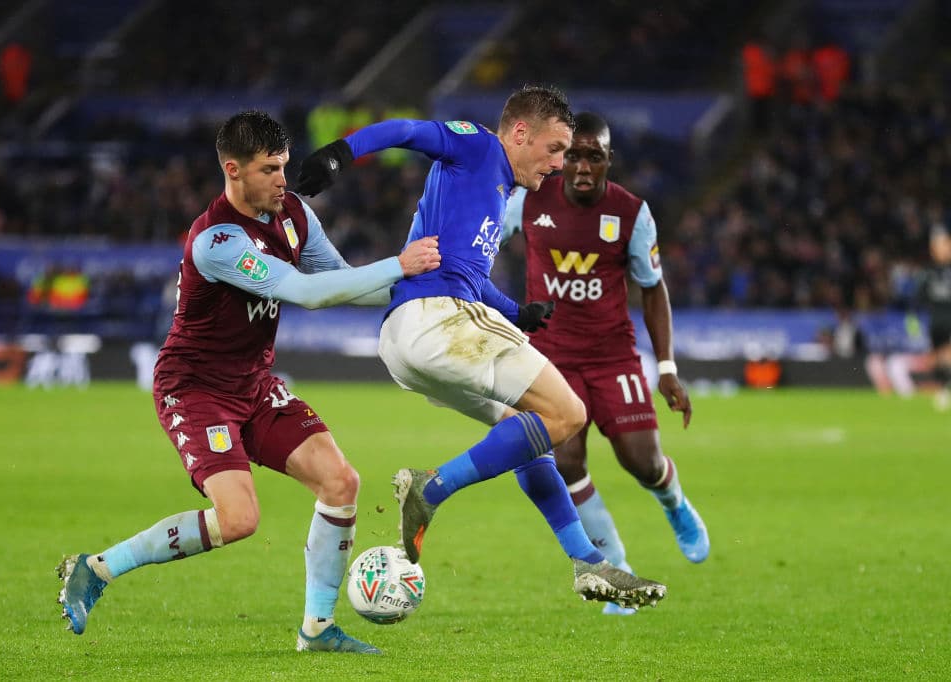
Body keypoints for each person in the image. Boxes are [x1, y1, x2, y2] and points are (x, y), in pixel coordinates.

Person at [56, 110, 441, 654]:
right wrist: (400, 264)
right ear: (233, 171)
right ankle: (97, 569)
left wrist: (429, 287)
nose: (283, 180)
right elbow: (306, 294)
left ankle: (317, 629)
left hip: (254, 382)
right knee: (238, 519)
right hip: (195, 387)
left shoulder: (294, 215)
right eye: (269, 170)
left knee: (341, 482)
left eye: (284, 166)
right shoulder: (216, 242)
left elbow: (342, 282)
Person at [296, 85, 666, 610]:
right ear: (520, 133)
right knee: (570, 413)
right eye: (555, 149)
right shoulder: (479, 146)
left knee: (528, 431)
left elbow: (469, 276)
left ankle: (586, 561)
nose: (559, 165)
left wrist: (518, 313)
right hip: (438, 319)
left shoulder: (496, 191)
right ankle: (432, 488)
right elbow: (407, 129)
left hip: (410, 338)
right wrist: (341, 152)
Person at [501, 112, 709, 615]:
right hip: (552, 358)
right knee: (567, 461)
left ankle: (674, 501)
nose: (583, 166)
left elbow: (652, 288)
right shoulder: (528, 199)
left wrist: (666, 368)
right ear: (561, 156)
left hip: (613, 356)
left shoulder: (631, 213)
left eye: (595, 156)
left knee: (642, 461)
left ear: (609, 161)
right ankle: (614, 563)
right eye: (574, 154)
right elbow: (486, 236)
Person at [918, 224, 951, 410]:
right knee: (937, 357)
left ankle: (945, 388)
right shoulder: (928, 272)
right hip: (936, 320)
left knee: (947, 353)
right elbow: (919, 296)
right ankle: (943, 388)